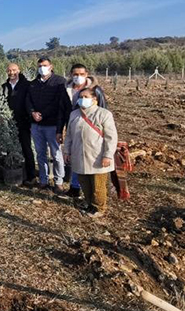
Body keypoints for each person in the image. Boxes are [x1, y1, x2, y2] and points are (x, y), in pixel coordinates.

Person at [63, 86, 118, 218]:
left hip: (97, 157)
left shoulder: (103, 114)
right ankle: (89, 204)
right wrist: (66, 151)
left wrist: (107, 155)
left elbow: (111, 137)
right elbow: (69, 135)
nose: (82, 100)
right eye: (80, 97)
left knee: (98, 185)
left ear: (95, 99)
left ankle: (99, 208)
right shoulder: (74, 114)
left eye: (86, 97)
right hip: (79, 155)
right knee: (84, 183)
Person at [57, 64, 107, 198]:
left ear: (87, 74)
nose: (78, 77)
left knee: (91, 159)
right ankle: (75, 188)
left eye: (81, 74)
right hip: (73, 128)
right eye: (75, 74)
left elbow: (103, 111)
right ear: (71, 75)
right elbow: (61, 111)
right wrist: (59, 130)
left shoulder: (95, 90)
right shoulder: (66, 90)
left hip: (92, 131)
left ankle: (94, 193)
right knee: (75, 158)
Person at [25, 57, 67, 194]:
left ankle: (58, 181)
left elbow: (58, 103)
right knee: (40, 153)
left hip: (52, 124)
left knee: (56, 153)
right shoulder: (33, 84)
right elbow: (28, 101)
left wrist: (42, 114)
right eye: (40, 66)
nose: (42, 68)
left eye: (45, 65)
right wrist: (32, 113)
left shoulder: (59, 82)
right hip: (36, 125)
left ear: (51, 66)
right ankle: (43, 180)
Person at [1, 63, 37, 184]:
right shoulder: (4, 87)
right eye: (9, 70)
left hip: (23, 122)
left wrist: (30, 121)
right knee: (9, 148)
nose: (12, 72)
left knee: (26, 147)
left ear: (19, 70)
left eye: (14, 70)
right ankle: (12, 171)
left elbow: (31, 103)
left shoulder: (27, 85)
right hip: (8, 123)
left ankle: (31, 175)